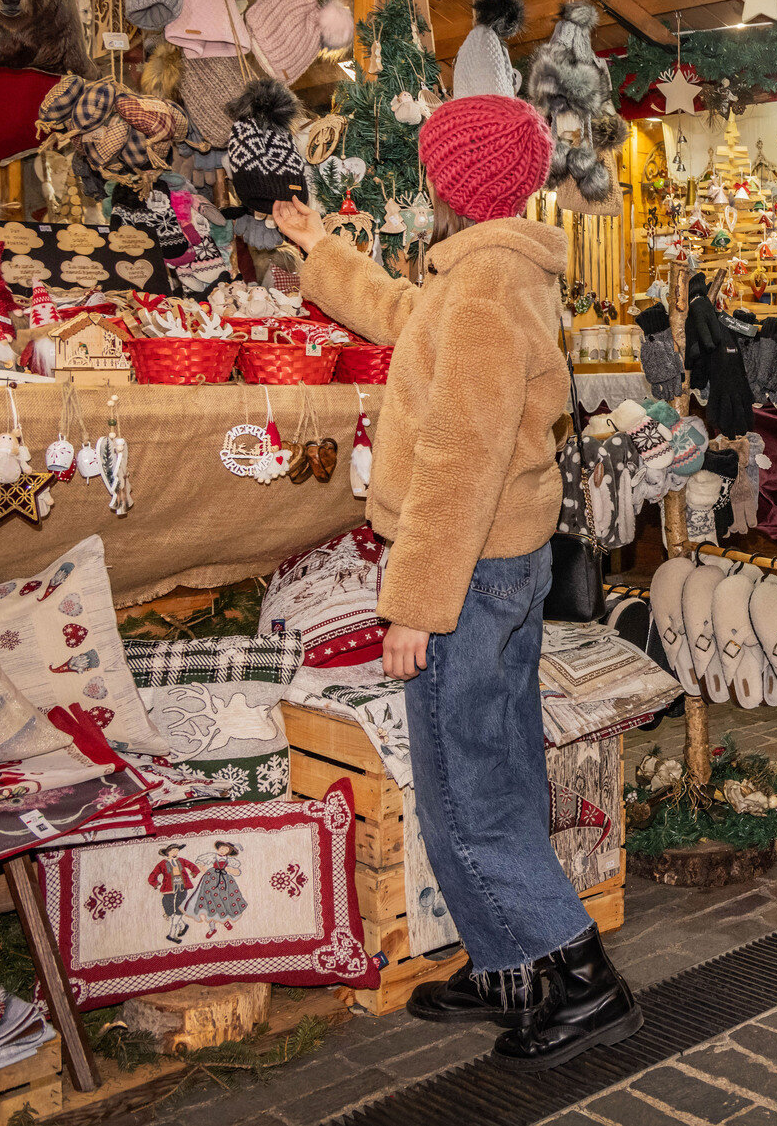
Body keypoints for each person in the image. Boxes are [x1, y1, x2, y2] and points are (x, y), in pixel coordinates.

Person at [271, 94, 641, 1073]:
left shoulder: (483, 292)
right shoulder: (484, 275)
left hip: (465, 574)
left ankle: (581, 976)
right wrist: (321, 250)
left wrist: (413, 604)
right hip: (496, 568)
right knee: (493, 771)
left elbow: (459, 463)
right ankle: (508, 961)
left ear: (448, 180)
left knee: (467, 789)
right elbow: (402, 315)